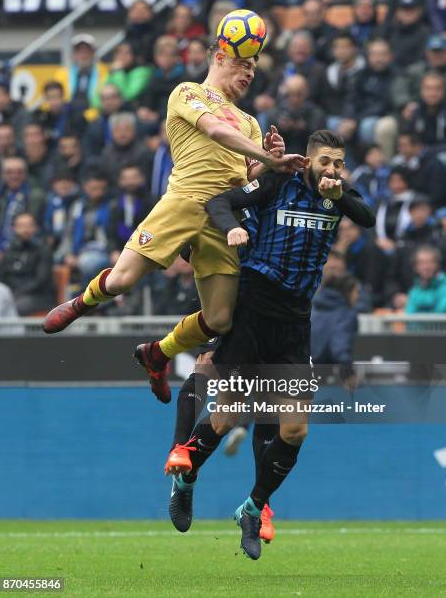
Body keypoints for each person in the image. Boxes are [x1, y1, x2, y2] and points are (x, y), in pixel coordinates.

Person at [42, 35, 305, 405]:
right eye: (243, 63)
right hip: (183, 202)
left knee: (218, 320)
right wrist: (266, 156)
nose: (250, 73)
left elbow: (249, 178)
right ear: (218, 57)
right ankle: (82, 302)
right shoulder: (187, 91)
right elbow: (214, 130)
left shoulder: (249, 122)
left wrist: (267, 160)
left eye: (254, 68)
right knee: (121, 280)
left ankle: (157, 353)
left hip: (223, 216)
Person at [162, 130, 375, 559]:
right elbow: (218, 202)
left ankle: (253, 507)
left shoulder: (338, 195)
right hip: (253, 308)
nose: (332, 170)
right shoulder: (280, 182)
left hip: (296, 322)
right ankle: (184, 478)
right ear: (310, 160)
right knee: (226, 414)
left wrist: (336, 196)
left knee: (294, 429)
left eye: (338, 163)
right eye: (326, 162)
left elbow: (366, 217)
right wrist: (234, 229)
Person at [0, 213, 55, 315]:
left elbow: (41, 281)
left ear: (35, 228)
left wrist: (15, 293)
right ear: (14, 228)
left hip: (38, 296)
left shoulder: (43, 250)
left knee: (17, 305)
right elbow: (2, 276)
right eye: (21, 226)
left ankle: (14, 331)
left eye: (29, 226)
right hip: (13, 293)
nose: (25, 230)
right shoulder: (9, 250)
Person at [405, 245, 446, 313]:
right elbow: (410, 316)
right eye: (421, 263)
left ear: (437, 265)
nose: (426, 267)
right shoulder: (414, 290)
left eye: (430, 262)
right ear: (415, 267)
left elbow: (440, 315)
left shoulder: (444, 286)